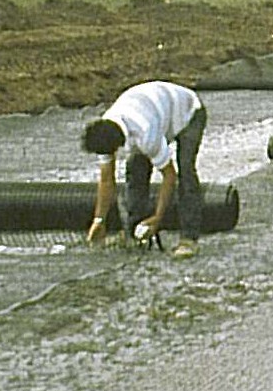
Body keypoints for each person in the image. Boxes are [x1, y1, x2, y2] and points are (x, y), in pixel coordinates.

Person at [82, 80, 206, 259]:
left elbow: (169, 177)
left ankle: (189, 238)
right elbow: (106, 180)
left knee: (186, 170)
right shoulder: (105, 129)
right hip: (156, 109)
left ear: (117, 146)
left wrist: (157, 218)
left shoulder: (146, 133)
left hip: (189, 112)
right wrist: (99, 220)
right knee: (135, 170)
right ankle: (135, 233)